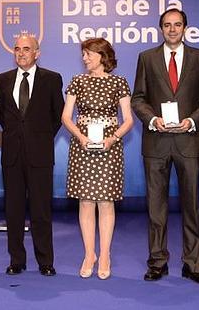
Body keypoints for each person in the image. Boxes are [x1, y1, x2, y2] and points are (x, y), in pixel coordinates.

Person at [131, 8, 199, 284]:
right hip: (155, 143)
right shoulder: (146, 58)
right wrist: (152, 119)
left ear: (185, 28)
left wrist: (192, 121)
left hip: (188, 142)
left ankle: (194, 264)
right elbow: (138, 99)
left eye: (177, 25)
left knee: (191, 206)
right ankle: (157, 262)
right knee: (156, 207)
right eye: (167, 25)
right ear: (160, 28)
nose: (172, 29)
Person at [61, 38, 133, 280]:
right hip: (83, 145)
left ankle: (105, 254)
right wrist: (80, 136)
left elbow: (129, 120)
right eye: (83, 54)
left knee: (106, 202)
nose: (84, 58)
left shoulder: (119, 82)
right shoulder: (77, 82)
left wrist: (112, 138)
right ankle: (89, 253)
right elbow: (66, 117)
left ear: (102, 55)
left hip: (108, 146)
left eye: (89, 54)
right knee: (85, 202)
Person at [0, 34, 64, 276]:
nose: (21, 53)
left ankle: (45, 261)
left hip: (40, 155)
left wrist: (39, 138)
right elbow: (3, 116)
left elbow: (58, 117)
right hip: (11, 155)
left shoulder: (52, 79)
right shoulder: (1, 80)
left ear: (37, 53)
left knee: (41, 210)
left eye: (26, 49)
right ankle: (17, 260)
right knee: (13, 211)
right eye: (17, 49)